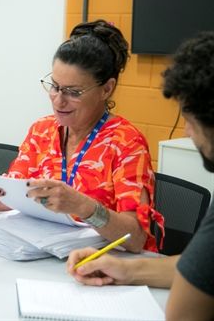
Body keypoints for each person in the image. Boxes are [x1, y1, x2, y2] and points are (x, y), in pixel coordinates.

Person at [0, 20, 163, 253]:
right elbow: (8, 204)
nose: (58, 100)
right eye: (55, 86)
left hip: (103, 266)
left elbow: (135, 238)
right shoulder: (42, 131)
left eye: (73, 92)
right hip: (45, 255)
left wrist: (85, 207)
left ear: (106, 89)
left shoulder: (126, 142)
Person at [67, 32, 214, 320]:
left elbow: (182, 312)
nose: (186, 132)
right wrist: (124, 269)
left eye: (189, 120)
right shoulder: (43, 129)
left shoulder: (126, 139)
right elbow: (195, 265)